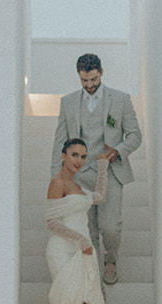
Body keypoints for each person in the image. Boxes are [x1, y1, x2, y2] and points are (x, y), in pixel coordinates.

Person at [50, 53, 141, 286]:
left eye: (93, 79)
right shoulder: (68, 102)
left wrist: (117, 150)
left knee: (110, 227)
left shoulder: (120, 100)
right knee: (87, 229)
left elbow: (135, 136)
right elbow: (60, 142)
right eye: (84, 81)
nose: (89, 85)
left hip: (109, 172)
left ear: (101, 72)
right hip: (78, 176)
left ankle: (111, 259)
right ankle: (94, 281)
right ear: (79, 77)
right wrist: (56, 180)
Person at [46, 138, 109, 304]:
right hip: (63, 251)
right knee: (68, 302)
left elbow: (101, 196)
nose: (79, 161)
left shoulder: (80, 187)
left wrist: (102, 165)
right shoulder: (57, 183)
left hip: (83, 253)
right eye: (74, 155)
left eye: (83, 157)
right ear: (63, 155)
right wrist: (80, 239)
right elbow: (51, 222)